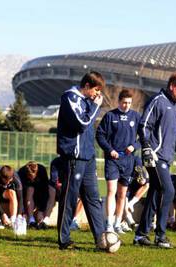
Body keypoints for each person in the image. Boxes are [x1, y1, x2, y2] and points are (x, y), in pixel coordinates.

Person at [133, 71, 176, 248]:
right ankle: (160, 235)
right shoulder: (157, 101)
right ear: (172, 87)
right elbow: (144, 126)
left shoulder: (174, 107)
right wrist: (148, 148)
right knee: (169, 190)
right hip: (155, 157)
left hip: (166, 157)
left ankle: (140, 235)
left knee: (155, 194)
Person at [56, 71, 106, 250]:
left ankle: (101, 238)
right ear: (86, 86)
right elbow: (81, 123)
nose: (96, 95)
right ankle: (64, 240)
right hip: (74, 156)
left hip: (88, 156)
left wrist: (93, 105)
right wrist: (94, 107)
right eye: (95, 90)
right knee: (70, 197)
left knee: (93, 197)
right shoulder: (70, 97)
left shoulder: (87, 100)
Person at [96, 89, 141, 234]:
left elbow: (145, 136)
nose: (126, 105)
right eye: (124, 102)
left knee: (123, 194)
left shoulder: (135, 116)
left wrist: (134, 146)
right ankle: (108, 223)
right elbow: (100, 135)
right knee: (111, 191)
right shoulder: (110, 116)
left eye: (129, 103)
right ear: (119, 102)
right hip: (112, 160)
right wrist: (110, 150)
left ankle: (117, 223)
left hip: (128, 161)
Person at [45, 157, 84, 231]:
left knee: (84, 195)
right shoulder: (55, 162)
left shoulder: (75, 162)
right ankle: (45, 220)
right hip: (57, 188)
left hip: (71, 186)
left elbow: (77, 178)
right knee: (51, 191)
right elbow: (54, 180)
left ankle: (73, 220)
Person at [18, 161, 50, 229]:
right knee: (30, 189)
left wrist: (41, 210)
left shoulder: (42, 170)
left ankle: (43, 221)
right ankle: (31, 220)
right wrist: (23, 212)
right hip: (27, 196)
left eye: (33, 176)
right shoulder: (21, 173)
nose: (31, 179)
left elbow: (45, 191)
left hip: (40, 194)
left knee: (51, 189)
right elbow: (20, 195)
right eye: (29, 177)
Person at [122, 155, 150, 231]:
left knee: (147, 184)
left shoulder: (139, 165)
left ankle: (131, 204)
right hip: (123, 191)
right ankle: (129, 221)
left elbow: (145, 182)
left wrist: (142, 178)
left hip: (131, 191)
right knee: (123, 197)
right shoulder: (125, 171)